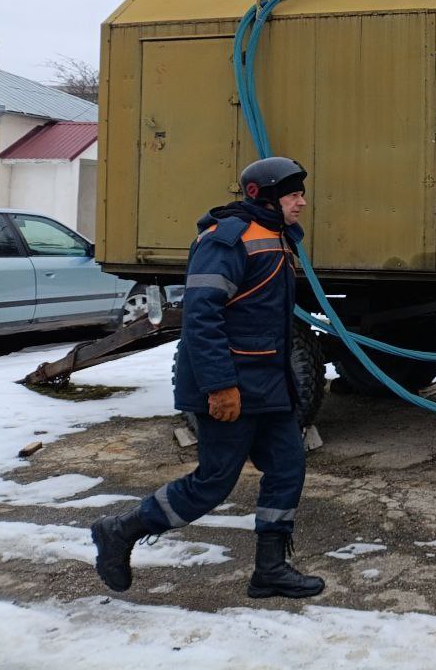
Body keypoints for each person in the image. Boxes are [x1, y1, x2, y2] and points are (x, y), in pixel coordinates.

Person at [91, 157, 324, 600]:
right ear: (266, 196)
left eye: (301, 194)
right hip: (231, 386)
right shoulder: (226, 241)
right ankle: (120, 531)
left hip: (269, 387)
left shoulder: (276, 236)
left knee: (288, 469)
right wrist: (220, 386)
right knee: (213, 483)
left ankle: (270, 570)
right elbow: (201, 319)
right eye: (294, 194)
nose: (302, 202)